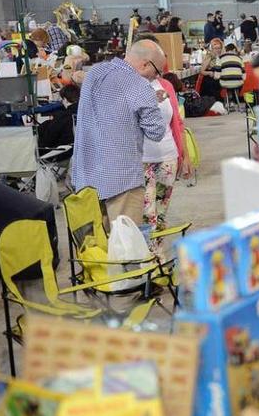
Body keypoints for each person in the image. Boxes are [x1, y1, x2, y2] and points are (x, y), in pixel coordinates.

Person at [71, 40, 166, 224]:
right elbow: (156, 131)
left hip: (85, 178)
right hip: (122, 181)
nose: (154, 78)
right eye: (156, 73)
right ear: (145, 64)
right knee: (126, 246)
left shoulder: (95, 72)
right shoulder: (140, 86)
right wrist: (152, 103)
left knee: (96, 247)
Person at [143, 74, 180, 255]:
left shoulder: (166, 84)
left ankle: (158, 257)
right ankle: (151, 259)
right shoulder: (129, 85)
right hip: (142, 159)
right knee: (148, 213)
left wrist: (184, 155)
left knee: (161, 213)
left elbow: (176, 122)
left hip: (168, 155)